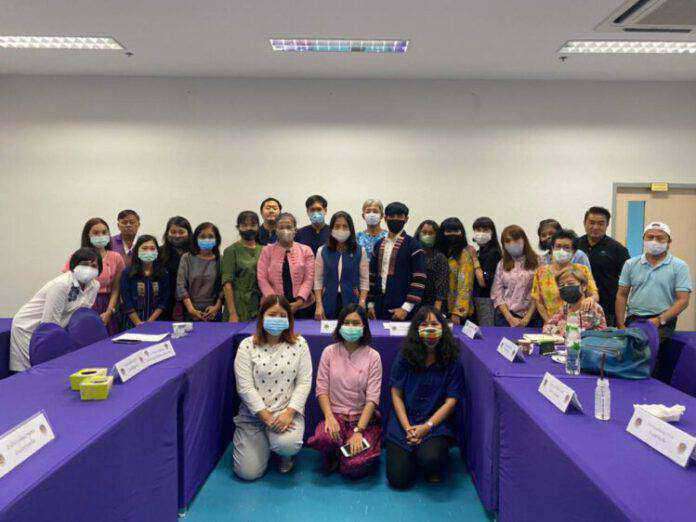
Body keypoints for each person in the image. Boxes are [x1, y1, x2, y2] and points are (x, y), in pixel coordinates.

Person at [233, 295, 312, 479]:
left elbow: (304, 383)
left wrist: (289, 413)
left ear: (289, 319)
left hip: (286, 414)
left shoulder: (300, 344)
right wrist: (266, 417)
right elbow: (245, 387)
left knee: (287, 445)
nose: (277, 319)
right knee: (247, 473)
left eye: (282, 315)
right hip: (254, 416)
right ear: (262, 317)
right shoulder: (247, 346)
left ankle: (285, 454)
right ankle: (263, 445)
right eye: (272, 314)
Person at [386, 306, 465, 489]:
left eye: (434, 324)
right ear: (416, 328)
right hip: (404, 422)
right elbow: (396, 394)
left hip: (435, 424)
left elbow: (451, 401)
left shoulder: (452, 360)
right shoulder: (404, 355)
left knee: (431, 459)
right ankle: (413, 454)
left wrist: (427, 427)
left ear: (443, 327)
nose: (430, 329)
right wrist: (408, 428)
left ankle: (425, 457)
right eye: (424, 324)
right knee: (398, 480)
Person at [307, 304, 382, 478]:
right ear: (340, 325)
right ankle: (336, 452)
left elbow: (372, 398)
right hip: (336, 417)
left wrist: (359, 431)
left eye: (356, 323)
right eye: (346, 322)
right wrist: (329, 417)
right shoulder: (329, 352)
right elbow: (321, 389)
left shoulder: (373, 357)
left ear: (364, 326)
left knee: (353, 467)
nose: (351, 327)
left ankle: (361, 447)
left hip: (362, 420)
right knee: (323, 438)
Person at [10, 248, 101, 372]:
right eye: (84, 264)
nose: (88, 269)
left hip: (56, 327)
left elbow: (80, 316)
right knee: (34, 371)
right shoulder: (61, 285)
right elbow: (49, 324)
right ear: (74, 265)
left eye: (93, 266)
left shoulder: (94, 286)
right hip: (29, 328)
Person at [616, 222, 692, 340]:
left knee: (647, 346)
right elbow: (622, 295)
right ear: (644, 239)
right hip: (634, 319)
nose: (654, 241)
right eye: (650, 237)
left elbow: (683, 300)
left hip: (663, 321)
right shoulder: (630, 264)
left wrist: (659, 319)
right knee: (628, 348)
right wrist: (620, 324)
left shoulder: (679, 266)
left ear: (669, 242)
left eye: (660, 238)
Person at [63, 218, 125, 335]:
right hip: (82, 303)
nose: (101, 236)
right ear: (88, 235)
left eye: (104, 232)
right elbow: (68, 283)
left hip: (106, 304)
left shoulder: (116, 257)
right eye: (96, 233)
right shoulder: (77, 256)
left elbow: (116, 288)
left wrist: (109, 311)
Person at [367, 202, 426, 321]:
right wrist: (371, 304)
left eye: (399, 216)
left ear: (406, 219)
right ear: (385, 218)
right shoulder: (378, 245)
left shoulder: (414, 245)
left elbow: (419, 279)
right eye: (391, 216)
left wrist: (406, 308)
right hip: (378, 306)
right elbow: (372, 276)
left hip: (403, 308)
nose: (395, 219)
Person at [577, 207, 630, 326]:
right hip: (577, 305)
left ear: (607, 225)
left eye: (601, 223)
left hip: (607, 308)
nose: (595, 227)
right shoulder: (575, 245)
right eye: (592, 222)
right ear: (584, 223)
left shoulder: (618, 249)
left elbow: (627, 279)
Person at [532, 229, 599, 323]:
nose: (561, 250)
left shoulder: (583, 270)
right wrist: (550, 322)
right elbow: (538, 301)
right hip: (552, 325)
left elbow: (594, 294)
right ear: (552, 248)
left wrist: (591, 299)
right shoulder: (541, 272)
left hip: (579, 325)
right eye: (558, 246)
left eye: (566, 247)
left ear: (574, 251)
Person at [257, 212, 316, 319]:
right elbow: (262, 278)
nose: (285, 230)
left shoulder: (306, 250)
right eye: (281, 227)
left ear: (295, 230)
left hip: (302, 305)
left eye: (289, 227)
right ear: (276, 230)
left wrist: (298, 303)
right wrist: (275, 302)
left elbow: (309, 278)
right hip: (273, 306)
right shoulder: (267, 250)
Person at [313, 211, 369, 320]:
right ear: (331, 229)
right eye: (337, 226)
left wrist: (362, 303)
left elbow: (364, 280)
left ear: (350, 229)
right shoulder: (322, 250)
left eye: (345, 226)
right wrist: (318, 305)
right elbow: (318, 280)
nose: (341, 229)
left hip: (352, 300)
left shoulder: (360, 251)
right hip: (328, 300)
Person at [491, 225, 540, 327]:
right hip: (505, 317)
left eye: (516, 239)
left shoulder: (538, 262)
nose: (512, 243)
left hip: (530, 318)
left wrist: (527, 318)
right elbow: (497, 293)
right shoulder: (502, 264)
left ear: (524, 240)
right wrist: (509, 318)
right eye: (508, 241)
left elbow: (539, 293)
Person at [120, 235, 171, 328]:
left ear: (157, 252)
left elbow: (165, 300)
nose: (148, 251)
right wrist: (138, 323)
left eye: (152, 248)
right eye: (144, 248)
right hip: (132, 322)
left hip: (156, 321)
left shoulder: (163, 273)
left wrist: (150, 321)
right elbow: (126, 300)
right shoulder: (128, 273)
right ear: (137, 251)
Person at [177, 222, 224, 321]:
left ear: (216, 239)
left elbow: (223, 287)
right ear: (196, 239)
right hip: (190, 311)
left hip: (213, 312)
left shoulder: (221, 260)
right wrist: (191, 309)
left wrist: (216, 307)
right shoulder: (187, 258)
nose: (206, 240)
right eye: (202, 237)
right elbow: (180, 286)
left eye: (210, 237)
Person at [222, 211, 263, 322]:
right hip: (237, 304)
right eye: (244, 225)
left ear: (258, 227)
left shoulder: (264, 250)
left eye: (253, 225)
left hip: (259, 303)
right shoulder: (231, 251)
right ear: (238, 228)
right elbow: (227, 284)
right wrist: (232, 313)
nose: (249, 228)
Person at [542, 267, 607, 336]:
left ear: (583, 286)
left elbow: (578, 333)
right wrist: (559, 329)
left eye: (571, 284)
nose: (566, 287)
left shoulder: (592, 308)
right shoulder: (565, 308)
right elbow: (547, 327)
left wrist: (562, 327)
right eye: (561, 285)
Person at [435, 218, 474, 325]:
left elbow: (465, 285)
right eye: (448, 231)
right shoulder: (437, 253)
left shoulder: (464, 254)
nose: (452, 234)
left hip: (455, 312)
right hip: (437, 306)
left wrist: (458, 312)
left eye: (456, 231)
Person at [160, 216, 193, 321]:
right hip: (165, 303)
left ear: (188, 233)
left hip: (191, 302)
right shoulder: (159, 252)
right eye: (173, 232)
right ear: (167, 233)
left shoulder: (195, 253)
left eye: (181, 232)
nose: (177, 236)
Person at [470, 217, 502, 326]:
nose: (481, 233)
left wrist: (474, 259)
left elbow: (484, 280)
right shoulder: (480, 252)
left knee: (486, 330)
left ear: (492, 233)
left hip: (486, 301)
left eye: (485, 230)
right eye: (478, 230)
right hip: (476, 299)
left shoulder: (493, 253)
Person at [414, 220, 449, 312]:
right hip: (412, 302)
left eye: (431, 233)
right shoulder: (413, 254)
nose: (427, 235)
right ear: (419, 233)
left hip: (431, 304)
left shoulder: (439, 257)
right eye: (424, 232)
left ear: (436, 236)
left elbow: (442, 285)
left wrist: (436, 309)